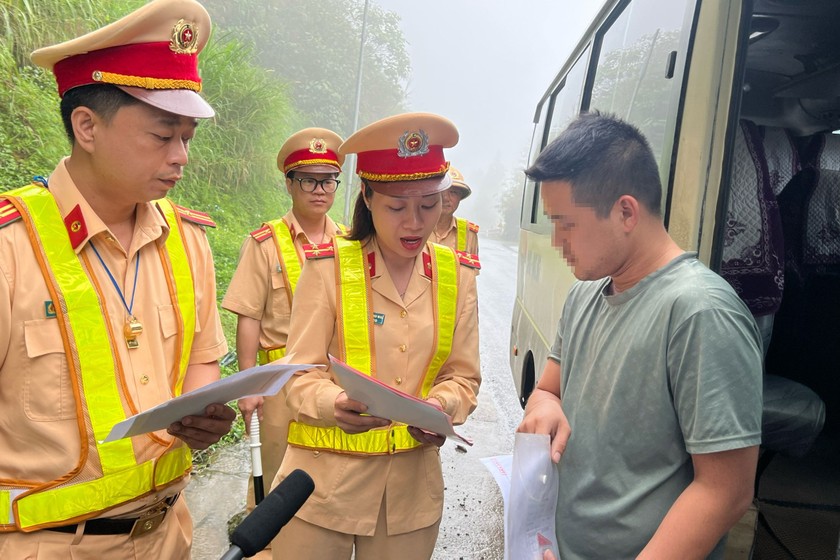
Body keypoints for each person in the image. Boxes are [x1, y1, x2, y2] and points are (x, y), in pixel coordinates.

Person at [0, 0, 235, 558]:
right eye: (162, 135)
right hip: (45, 546)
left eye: (188, 137)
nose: (181, 157)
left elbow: (202, 359)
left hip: (167, 535)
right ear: (87, 126)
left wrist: (203, 415)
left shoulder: (188, 240)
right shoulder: (11, 248)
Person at [516, 112, 763, 560]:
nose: (556, 240)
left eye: (566, 223)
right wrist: (546, 406)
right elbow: (547, 390)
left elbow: (725, 492)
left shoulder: (701, 313)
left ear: (625, 211)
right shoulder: (584, 296)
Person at [271, 112, 481, 560]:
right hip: (321, 489)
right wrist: (333, 405)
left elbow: (464, 377)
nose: (414, 222)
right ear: (366, 196)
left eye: (428, 204)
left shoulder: (456, 275)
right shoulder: (327, 267)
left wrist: (442, 407)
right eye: (397, 206)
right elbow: (297, 376)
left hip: (409, 497)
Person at [222, 127, 346, 527]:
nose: (320, 190)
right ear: (289, 184)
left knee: (327, 471)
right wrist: (248, 386)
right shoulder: (265, 242)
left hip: (328, 380)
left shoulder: (348, 244)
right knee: (271, 472)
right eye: (309, 179)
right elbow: (249, 316)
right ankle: (264, 546)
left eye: (328, 180)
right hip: (276, 381)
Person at [432, 165, 479, 257]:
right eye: (441, 190)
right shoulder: (415, 227)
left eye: (453, 192)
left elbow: (472, 270)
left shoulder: (469, 234)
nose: (445, 198)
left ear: (460, 198)